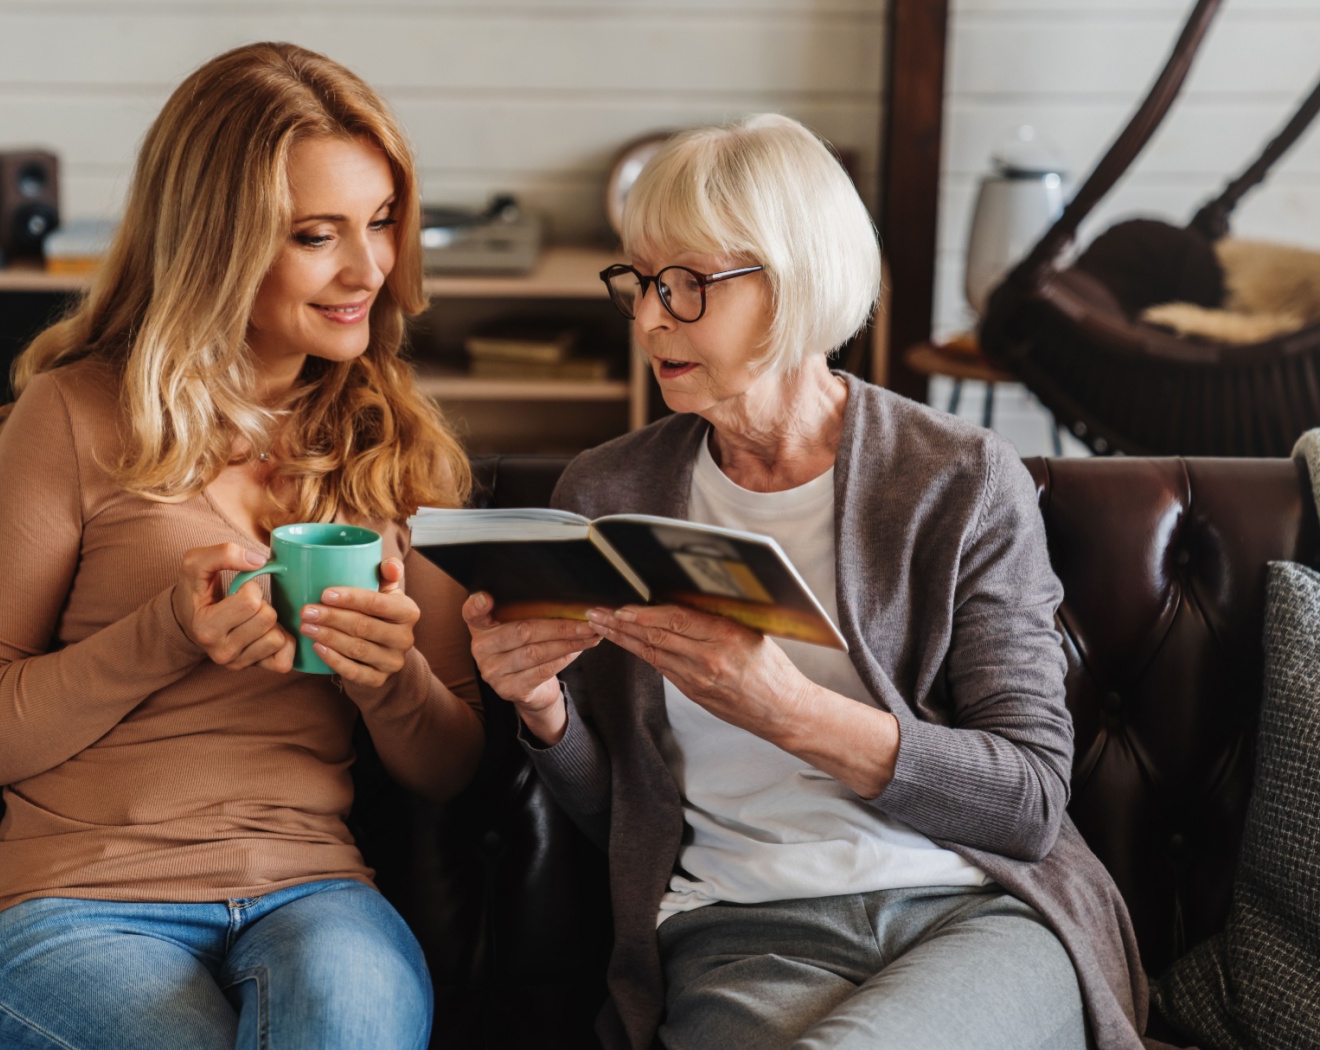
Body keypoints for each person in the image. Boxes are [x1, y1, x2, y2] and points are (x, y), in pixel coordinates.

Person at [464, 114, 1150, 1050]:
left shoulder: (960, 478)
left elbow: (1027, 802)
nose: (651, 317)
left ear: (792, 282)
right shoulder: (611, 487)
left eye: (688, 285)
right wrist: (543, 708)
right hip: (741, 932)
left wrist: (786, 708)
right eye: (641, 282)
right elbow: (619, 811)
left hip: (976, 909)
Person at [0, 42, 483, 1050]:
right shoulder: (77, 415)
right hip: (76, 906)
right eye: (319, 235)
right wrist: (165, 635)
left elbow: (449, 763)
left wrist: (389, 680)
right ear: (217, 242)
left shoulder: (394, 446)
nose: (370, 268)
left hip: (311, 890)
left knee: (352, 1019)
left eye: (384, 221)